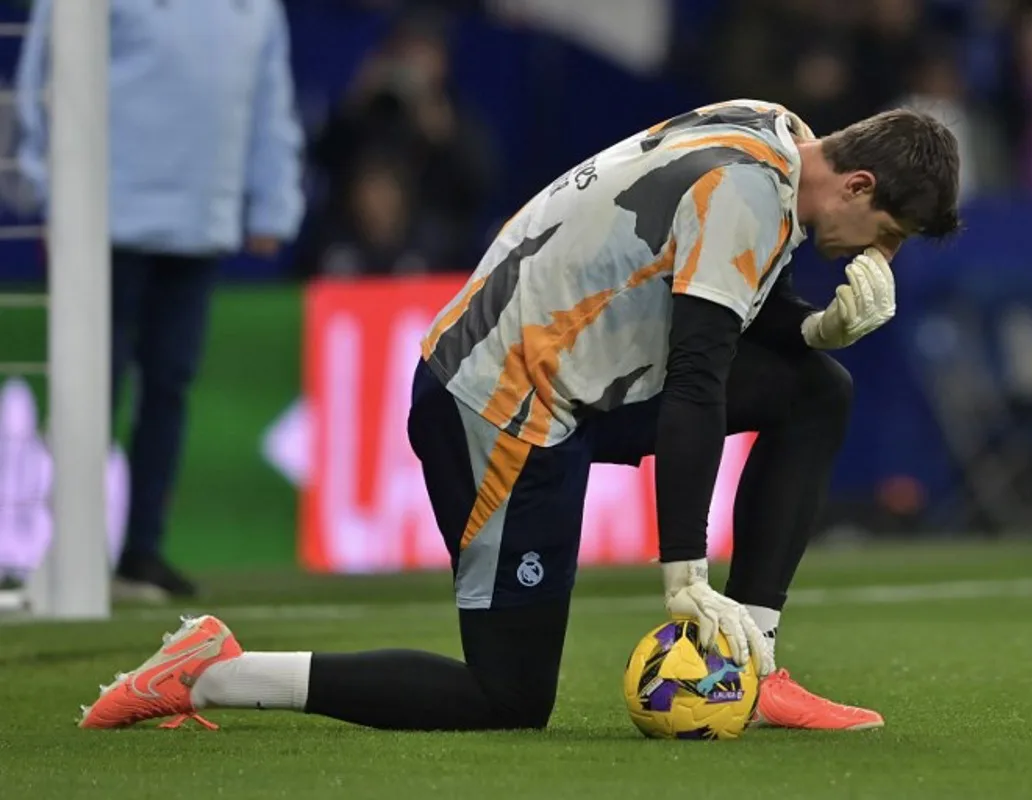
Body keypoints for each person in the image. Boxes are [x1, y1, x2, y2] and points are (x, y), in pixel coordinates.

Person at [78, 100, 960, 732]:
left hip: (569, 386)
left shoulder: (772, 132)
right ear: (857, 182)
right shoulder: (749, 193)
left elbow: (737, 311)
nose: (881, 255)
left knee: (817, 387)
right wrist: (684, 576)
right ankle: (214, 673)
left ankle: (752, 666)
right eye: (888, 233)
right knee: (506, 697)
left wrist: (817, 330)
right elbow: (698, 379)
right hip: (497, 409)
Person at [16, 0, 305, 600]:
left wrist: (274, 200)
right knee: (89, 386)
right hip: (101, 217)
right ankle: (63, 546)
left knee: (169, 385)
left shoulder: (252, 7)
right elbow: (42, 71)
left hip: (199, 221)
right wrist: (46, 183)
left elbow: (269, 99)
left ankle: (141, 550)